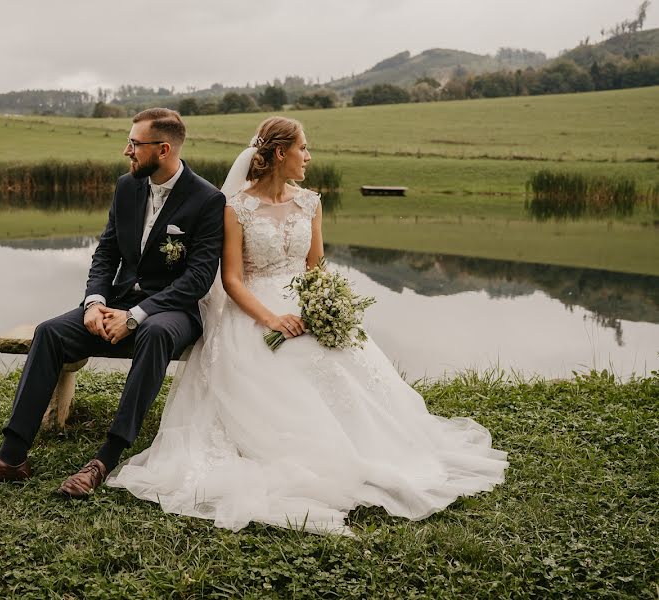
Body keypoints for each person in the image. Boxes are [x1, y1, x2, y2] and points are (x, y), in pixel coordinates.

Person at [107, 117, 509, 535]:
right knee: (282, 363)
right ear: (280, 153)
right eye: (303, 148)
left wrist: (324, 307)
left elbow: (316, 267)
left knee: (343, 363)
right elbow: (232, 281)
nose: (309, 156)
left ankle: (361, 448)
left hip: (305, 305)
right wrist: (271, 318)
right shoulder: (235, 208)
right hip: (254, 311)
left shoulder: (311, 203)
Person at [0, 108, 226, 496]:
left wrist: (136, 315)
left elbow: (198, 278)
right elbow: (106, 253)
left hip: (172, 310)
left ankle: (104, 460)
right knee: (51, 332)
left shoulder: (208, 199)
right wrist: (94, 303)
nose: (127, 150)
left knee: (155, 333)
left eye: (134, 144)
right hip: (115, 303)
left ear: (163, 149)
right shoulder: (127, 187)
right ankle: (11, 457)